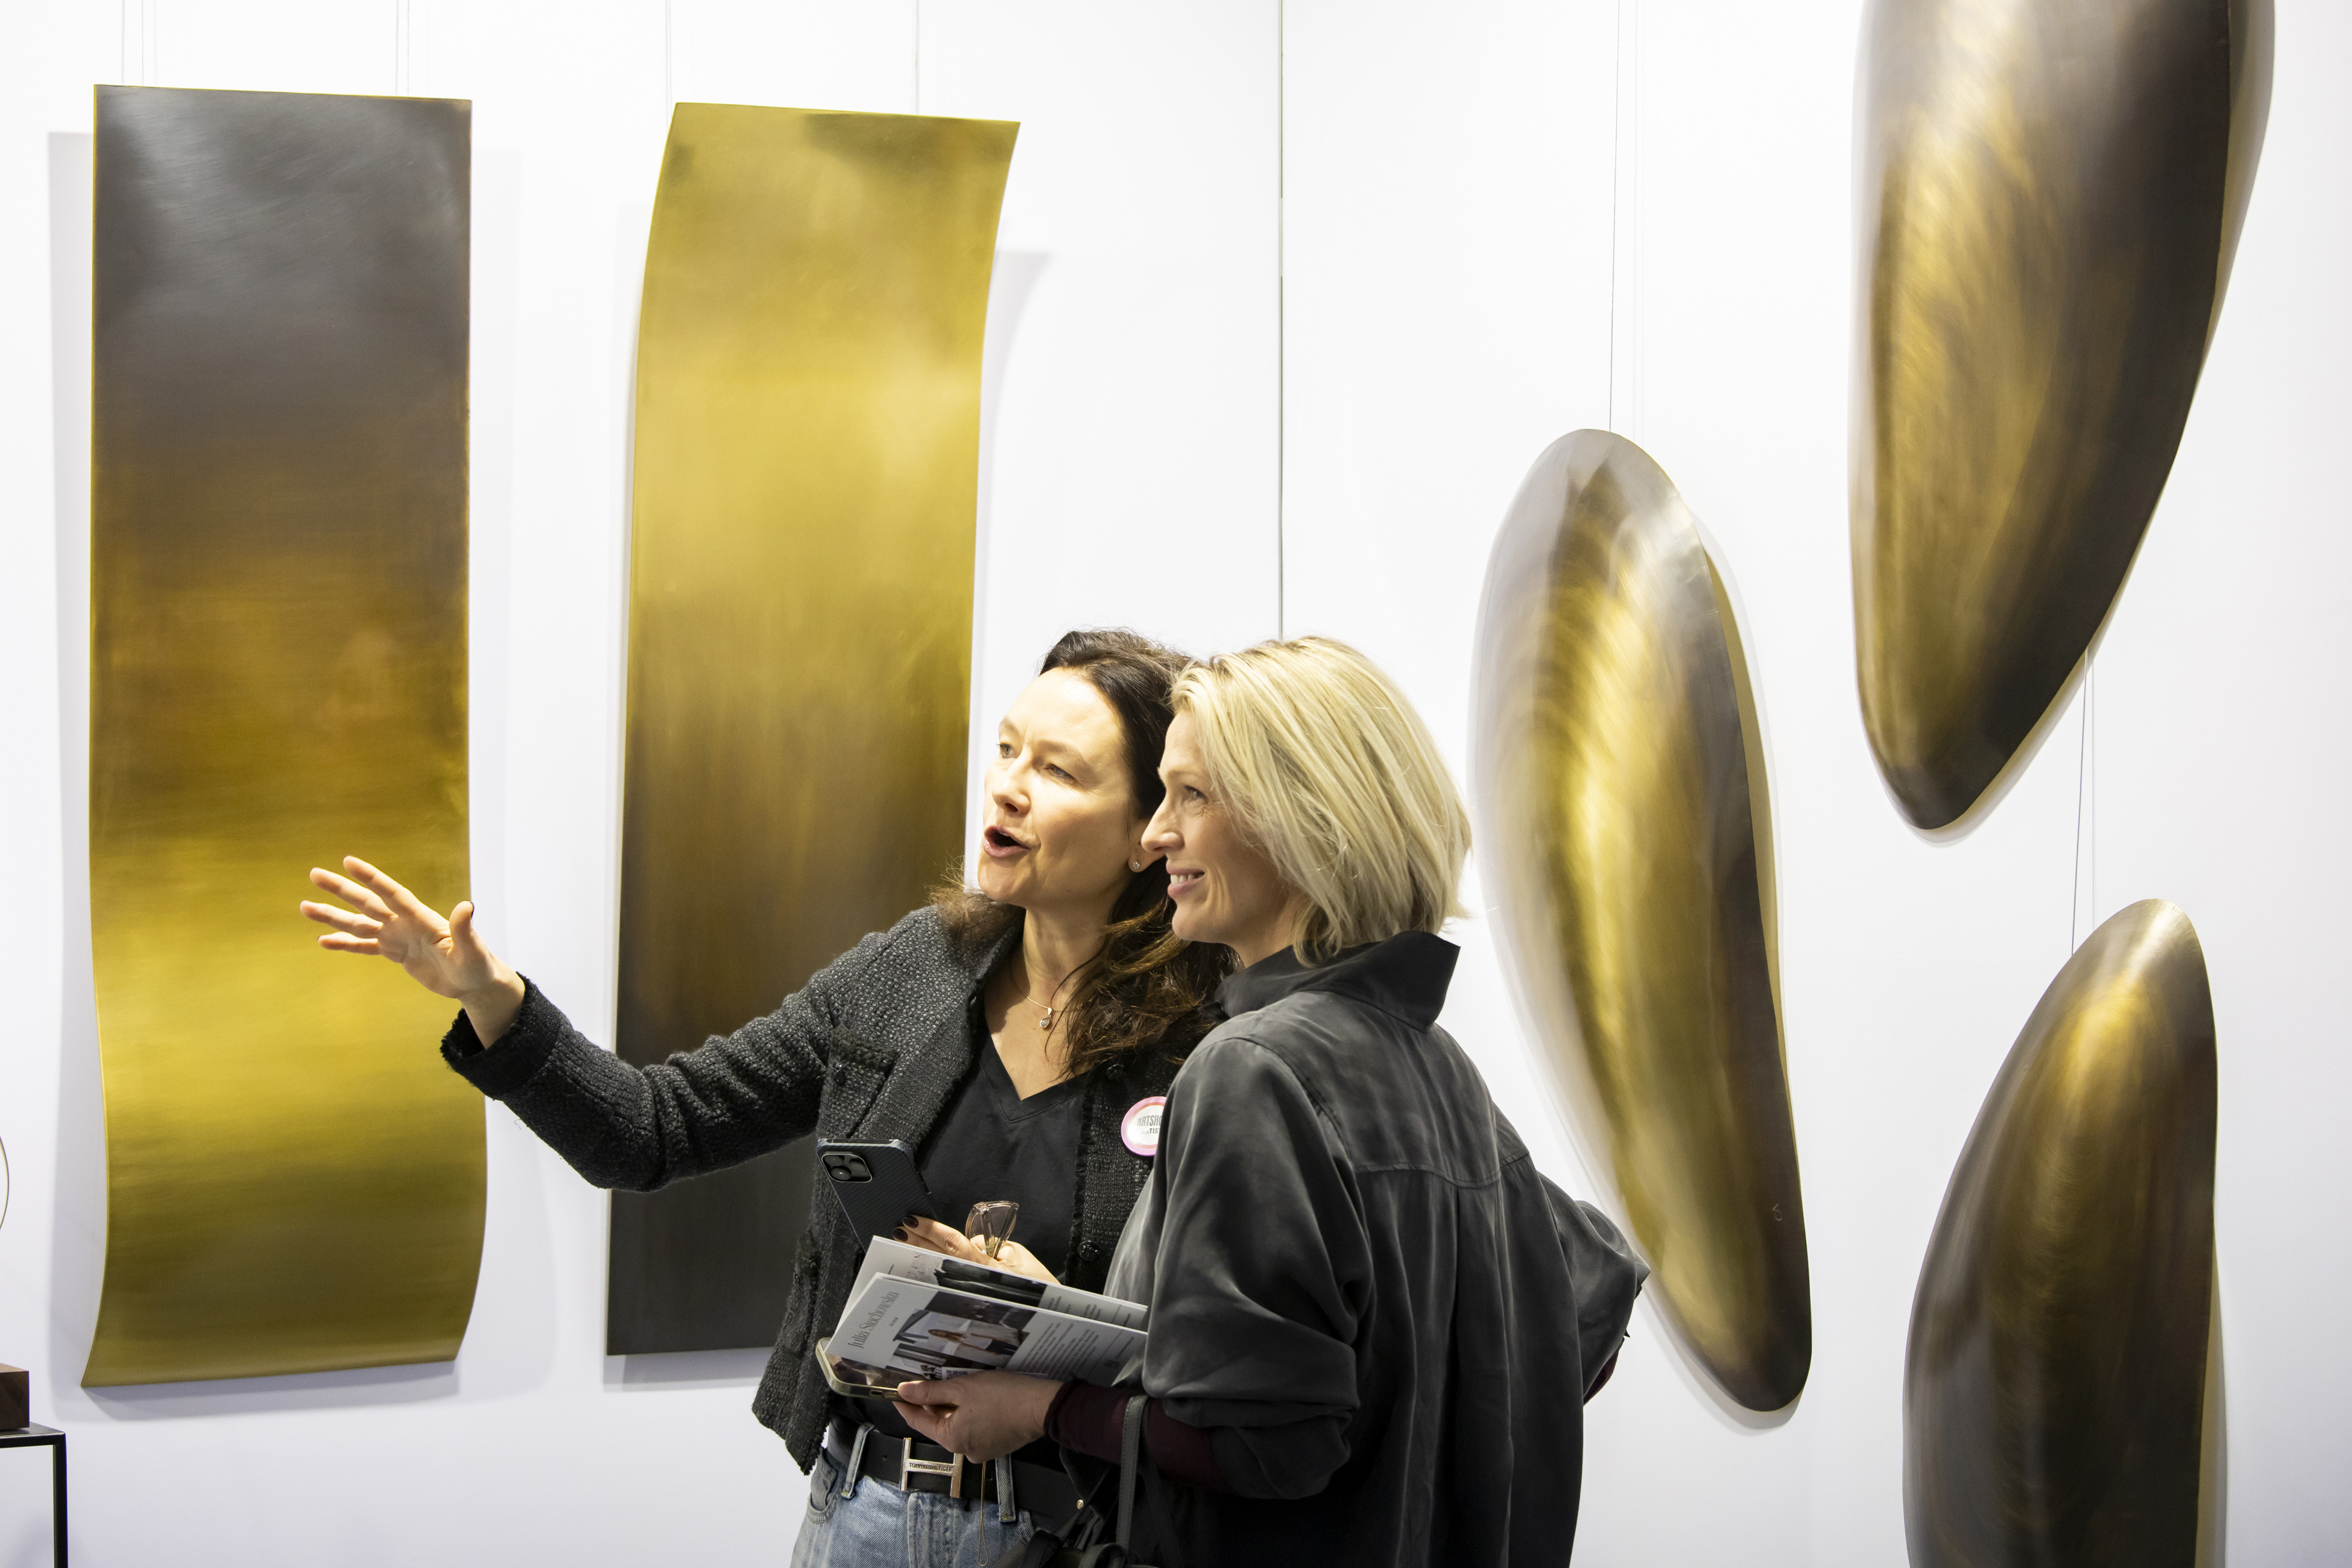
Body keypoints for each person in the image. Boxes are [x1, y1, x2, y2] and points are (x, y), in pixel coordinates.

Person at [299, 628, 1229, 1568]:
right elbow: (652, 1129)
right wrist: (492, 998)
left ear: (1147, 832)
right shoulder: (913, 969)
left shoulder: (1215, 1041)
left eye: (1059, 771)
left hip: (1082, 1534)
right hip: (861, 1514)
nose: (1009, 787)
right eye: (1007, 749)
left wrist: (1055, 1317)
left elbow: (1237, 1366)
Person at [891, 636, 1648, 1567]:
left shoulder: (1252, 1069)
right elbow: (1586, 1310)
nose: (1155, 835)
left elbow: (1266, 1446)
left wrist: (1041, 1407)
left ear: (1304, 821)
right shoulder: (1443, 1072)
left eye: (1192, 796)